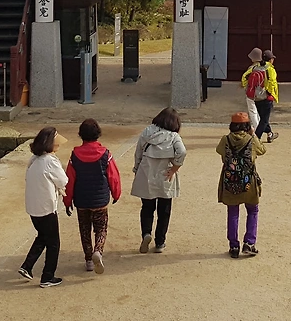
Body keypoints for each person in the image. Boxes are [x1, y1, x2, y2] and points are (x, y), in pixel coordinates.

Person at [64, 118, 121, 274]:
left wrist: (67, 201)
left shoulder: (74, 156)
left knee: (85, 230)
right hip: (100, 200)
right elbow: (113, 177)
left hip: (81, 200)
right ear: (98, 134)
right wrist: (116, 194)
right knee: (101, 228)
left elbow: (69, 180)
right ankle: (98, 251)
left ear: (81, 134)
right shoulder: (106, 154)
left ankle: (89, 260)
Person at [131, 108, 187, 254]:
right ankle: (160, 242)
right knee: (164, 210)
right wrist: (175, 167)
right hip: (165, 174)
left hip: (146, 172)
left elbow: (138, 152)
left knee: (147, 207)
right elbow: (182, 151)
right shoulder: (174, 136)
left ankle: (146, 233)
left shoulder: (147, 132)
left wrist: (137, 169)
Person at [20, 126, 67, 288]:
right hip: (46, 208)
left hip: (33, 207)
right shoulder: (50, 161)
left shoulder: (34, 159)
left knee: (43, 236)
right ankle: (47, 276)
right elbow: (63, 180)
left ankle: (27, 266)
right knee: (53, 243)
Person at [216, 111, 267, 259]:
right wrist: (253, 134)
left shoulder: (225, 139)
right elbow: (262, 150)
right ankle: (249, 243)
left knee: (233, 212)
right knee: (253, 210)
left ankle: (233, 245)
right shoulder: (251, 140)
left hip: (230, 180)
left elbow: (219, 151)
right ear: (247, 126)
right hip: (248, 181)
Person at [241, 48, 279, 142]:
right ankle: (256, 139)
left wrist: (248, 88)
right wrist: (271, 94)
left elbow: (244, 78)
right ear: (270, 60)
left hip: (256, 97)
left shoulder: (254, 67)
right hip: (266, 97)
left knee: (263, 118)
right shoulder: (270, 69)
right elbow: (272, 83)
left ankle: (270, 134)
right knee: (264, 120)